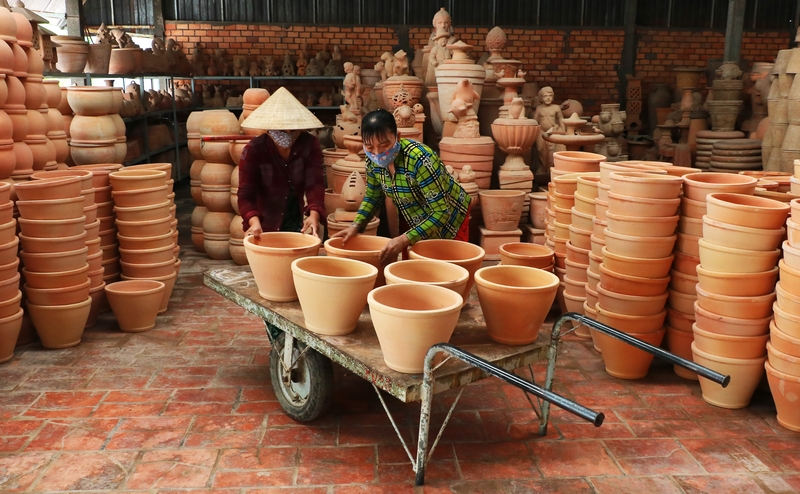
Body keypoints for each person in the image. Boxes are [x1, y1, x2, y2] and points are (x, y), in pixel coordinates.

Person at [332, 109, 471, 264]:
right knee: (411, 267)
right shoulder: (372, 160)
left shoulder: (421, 159)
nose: (378, 153)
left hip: (450, 214)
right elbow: (373, 196)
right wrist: (356, 225)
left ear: (397, 137)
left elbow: (441, 211)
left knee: (445, 266)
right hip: (413, 213)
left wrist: (405, 238)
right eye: (370, 147)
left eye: (384, 145)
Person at [238, 87, 325, 238]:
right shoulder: (253, 150)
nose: (289, 134)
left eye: (293, 129)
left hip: (296, 219)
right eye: (282, 130)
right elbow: (245, 196)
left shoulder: (309, 144)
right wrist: (253, 221)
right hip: (265, 224)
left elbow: (315, 184)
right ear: (270, 128)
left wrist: (314, 214)